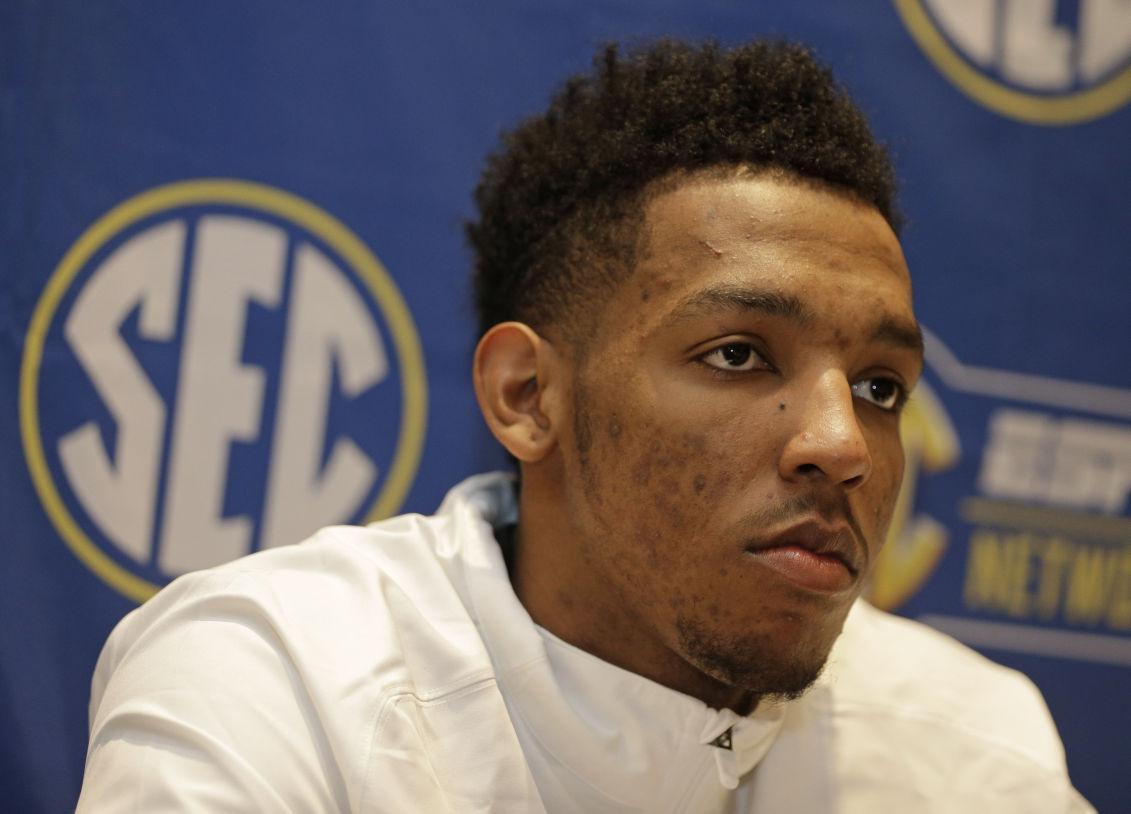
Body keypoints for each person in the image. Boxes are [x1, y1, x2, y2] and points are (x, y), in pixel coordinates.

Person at [78, 39, 1093, 812]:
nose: (840, 442)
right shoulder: (283, 680)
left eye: (880, 385)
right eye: (739, 354)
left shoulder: (975, 744)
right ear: (527, 396)